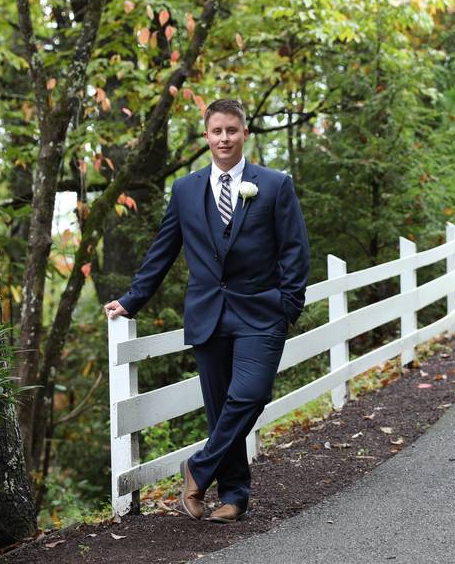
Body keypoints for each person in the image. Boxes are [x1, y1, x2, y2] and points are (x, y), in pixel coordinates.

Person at [104, 98, 310, 523]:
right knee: (220, 408)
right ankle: (233, 496)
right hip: (208, 314)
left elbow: (294, 250)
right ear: (206, 135)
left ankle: (198, 468)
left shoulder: (273, 185)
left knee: (251, 394)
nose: (224, 139)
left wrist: (289, 304)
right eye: (216, 131)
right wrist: (132, 299)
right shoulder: (185, 189)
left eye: (232, 130)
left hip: (262, 312)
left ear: (245, 133)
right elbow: (163, 250)